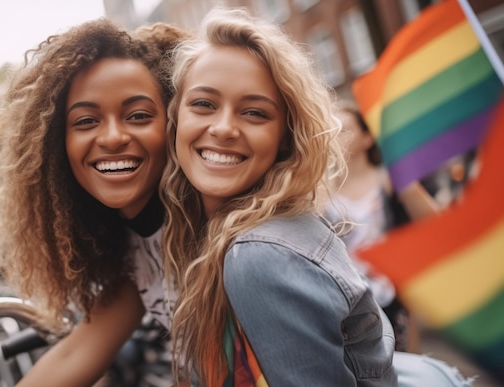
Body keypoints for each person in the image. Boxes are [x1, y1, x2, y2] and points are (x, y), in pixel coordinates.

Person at [159, 8, 473, 387]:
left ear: (285, 138)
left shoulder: (259, 254)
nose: (224, 127)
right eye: (204, 104)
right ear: (176, 118)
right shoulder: (224, 237)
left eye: (255, 113)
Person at [0, 17, 188, 386]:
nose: (111, 137)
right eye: (86, 121)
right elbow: (77, 352)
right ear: (58, 146)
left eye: (138, 116)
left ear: (174, 123)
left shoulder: (216, 231)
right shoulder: (137, 249)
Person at [326, 99, 440, 352]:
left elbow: (434, 222)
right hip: (349, 303)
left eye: (344, 129)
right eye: (330, 128)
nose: (336, 135)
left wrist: (408, 186)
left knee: (406, 366)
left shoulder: (388, 179)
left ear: (367, 138)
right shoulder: (320, 193)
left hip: (393, 295)